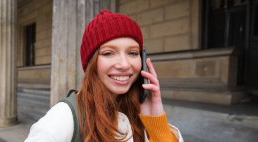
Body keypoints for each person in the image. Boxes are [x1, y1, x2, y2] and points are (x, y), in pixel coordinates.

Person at [25, 10, 183, 142]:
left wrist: (155, 120)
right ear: (91, 63)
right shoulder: (65, 116)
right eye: (108, 53)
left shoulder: (141, 112)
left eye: (132, 53)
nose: (124, 64)